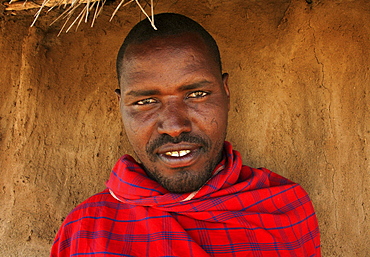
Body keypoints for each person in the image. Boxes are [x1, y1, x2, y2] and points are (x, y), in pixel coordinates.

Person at [50, 13, 321, 256]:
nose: (174, 125)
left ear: (226, 93)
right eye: (145, 101)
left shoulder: (281, 211)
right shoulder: (87, 230)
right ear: (120, 107)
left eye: (197, 95)